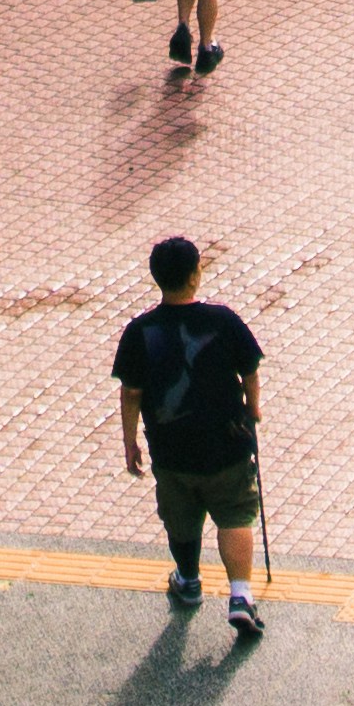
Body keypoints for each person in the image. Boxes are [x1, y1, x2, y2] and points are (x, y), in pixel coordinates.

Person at [113, 236, 267, 638]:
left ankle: (188, 579)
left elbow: (131, 392)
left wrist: (131, 442)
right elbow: (250, 367)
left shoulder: (139, 332)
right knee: (235, 513)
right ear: (196, 274)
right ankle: (241, 596)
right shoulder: (223, 320)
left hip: (172, 449)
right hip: (227, 444)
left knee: (181, 519)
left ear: (156, 278)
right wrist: (252, 406)